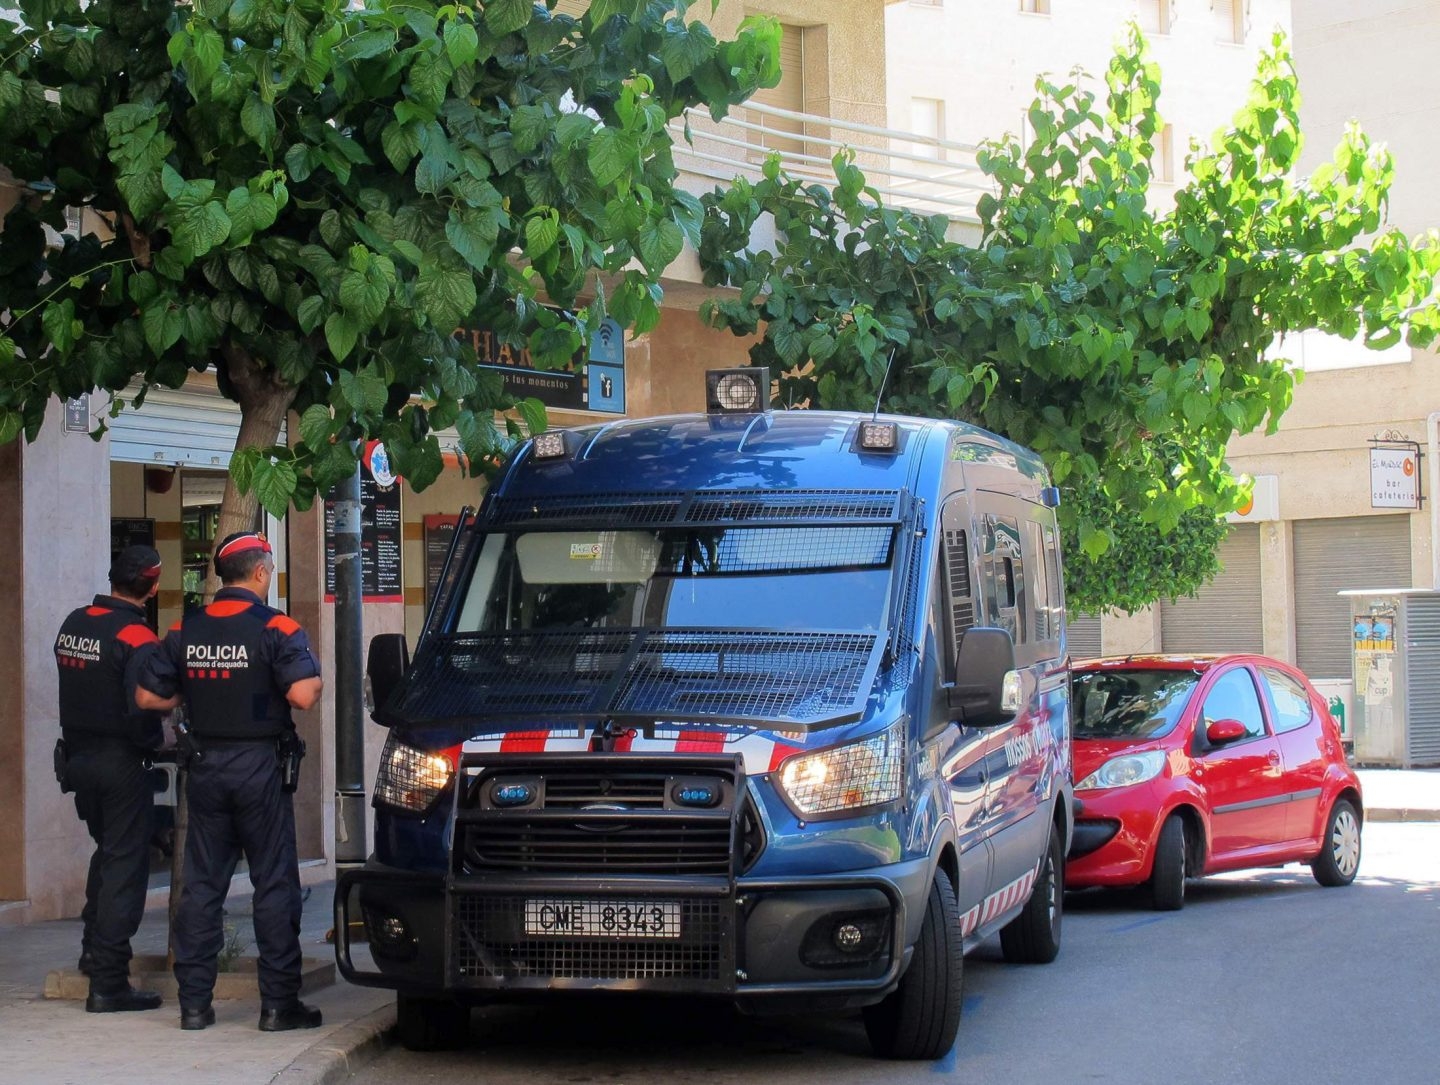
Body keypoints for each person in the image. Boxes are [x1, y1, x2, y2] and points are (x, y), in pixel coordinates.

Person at [136, 531, 324, 1032]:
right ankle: (278, 1006)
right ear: (261, 573)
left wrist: (197, 700)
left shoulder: (184, 629)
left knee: (201, 886)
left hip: (206, 769)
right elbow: (304, 695)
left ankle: (194, 1006)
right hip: (260, 768)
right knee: (274, 884)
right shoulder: (277, 627)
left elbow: (147, 698)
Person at [54, 544, 167, 1013]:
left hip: (77, 759)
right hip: (120, 763)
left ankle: (91, 951)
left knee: (107, 853)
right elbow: (143, 706)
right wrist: (156, 742)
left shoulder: (74, 623)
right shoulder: (137, 638)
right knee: (126, 864)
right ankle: (108, 982)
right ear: (153, 586)